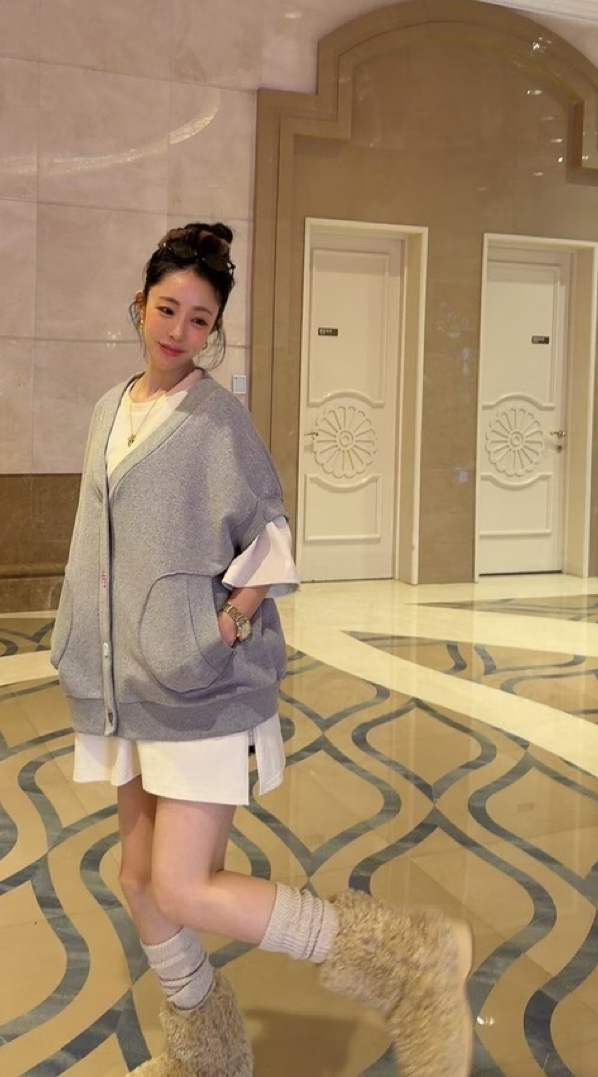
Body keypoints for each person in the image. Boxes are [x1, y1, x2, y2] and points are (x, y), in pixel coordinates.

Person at [50, 222, 473, 1077]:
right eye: (167, 308)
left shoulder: (217, 419)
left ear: (215, 329)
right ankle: (207, 1052)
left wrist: (223, 628)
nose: (179, 329)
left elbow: (272, 541)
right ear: (139, 305)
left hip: (199, 689)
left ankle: (408, 958)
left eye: (199, 318)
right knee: (138, 881)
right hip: (126, 685)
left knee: (183, 886)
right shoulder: (108, 408)